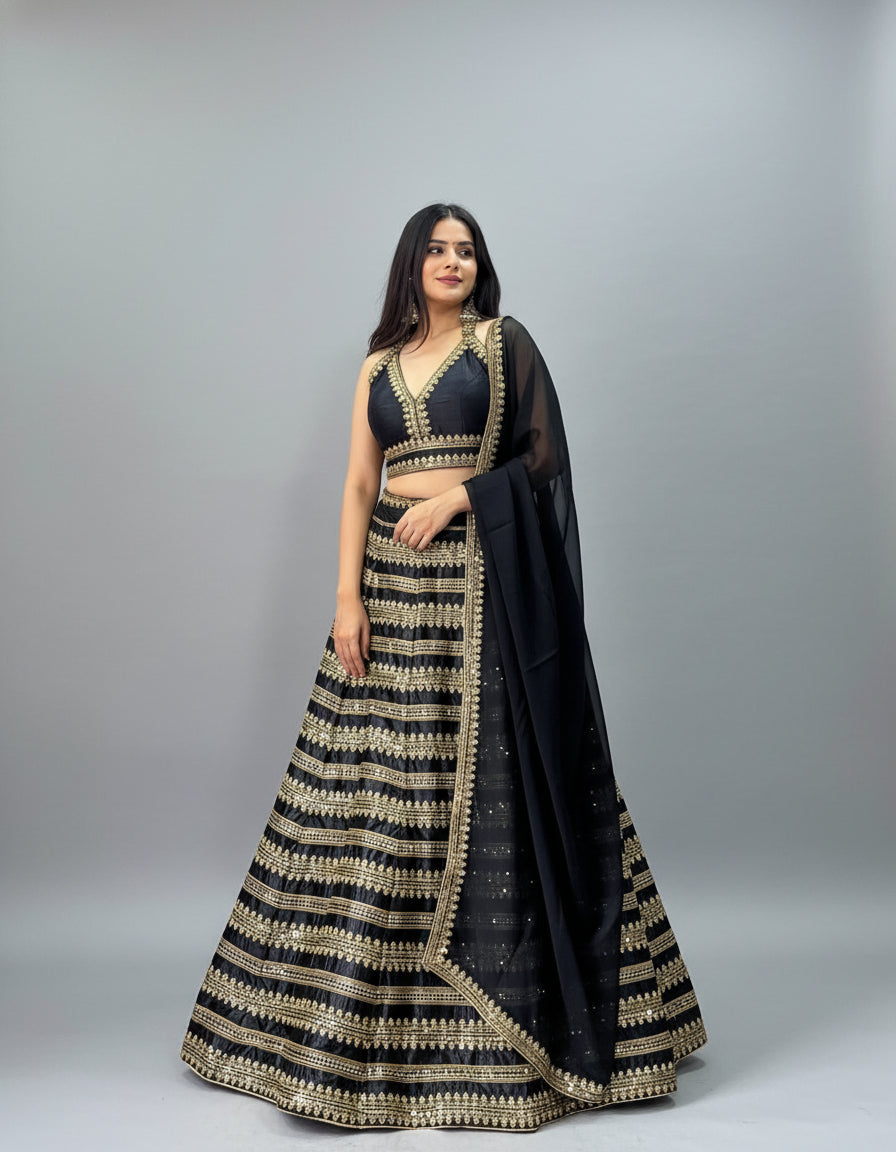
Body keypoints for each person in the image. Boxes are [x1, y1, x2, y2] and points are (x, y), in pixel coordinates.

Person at [179, 203, 707, 1131]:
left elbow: (543, 458)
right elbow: (356, 483)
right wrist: (347, 598)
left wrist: (468, 492)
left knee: (495, 781)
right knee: (376, 792)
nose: (454, 261)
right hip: (390, 583)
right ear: (411, 264)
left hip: (481, 590)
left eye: (468, 251)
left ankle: (518, 1033)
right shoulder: (376, 367)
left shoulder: (504, 346)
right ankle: (340, 1039)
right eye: (439, 248)